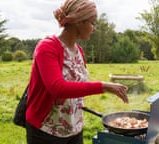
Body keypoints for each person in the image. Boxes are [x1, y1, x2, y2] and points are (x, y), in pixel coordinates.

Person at [25, 0, 129, 144]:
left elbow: (77, 88)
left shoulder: (79, 50)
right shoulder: (47, 47)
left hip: (74, 129)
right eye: (92, 23)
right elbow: (58, 88)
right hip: (46, 131)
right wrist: (104, 86)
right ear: (79, 22)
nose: (94, 28)